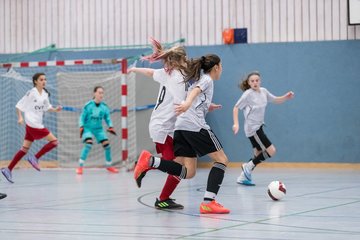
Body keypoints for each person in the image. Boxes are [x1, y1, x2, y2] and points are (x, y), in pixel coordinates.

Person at [134, 54, 230, 214]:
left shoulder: (197, 78)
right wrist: (187, 103)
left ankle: (150, 161)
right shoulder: (206, 79)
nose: (222, 69)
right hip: (194, 126)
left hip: (180, 126)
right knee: (222, 160)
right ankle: (208, 202)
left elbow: (196, 95)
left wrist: (206, 105)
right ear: (216, 67)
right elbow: (195, 93)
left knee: (188, 172)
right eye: (222, 66)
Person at [128, 37, 188, 209]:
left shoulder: (167, 72)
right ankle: (149, 163)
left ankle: (162, 196)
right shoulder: (177, 77)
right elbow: (180, 106)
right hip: (163, 127)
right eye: (185, 59)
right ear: (180, 60)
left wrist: (134, 69)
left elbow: (149, 73)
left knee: (179, 167)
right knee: (178, 169)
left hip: (162, 126)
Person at [232, 71, 294, 186]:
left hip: (258, 126)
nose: (255, 83)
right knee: (271, 151)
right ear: (249, 83)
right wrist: (236, 124)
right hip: (253, 129)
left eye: (257, 80)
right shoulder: (247, 94)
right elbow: (236, 108)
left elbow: (275, 99)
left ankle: (243, 177)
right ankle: (248, 166)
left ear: (260, 81)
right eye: (252, 81)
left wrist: (286, 97)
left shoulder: (264, 92)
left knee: (258, 154)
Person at [1, 72, 62, 183]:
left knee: (24, 149)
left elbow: (47, 107)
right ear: (35, 81)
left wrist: (55, 109)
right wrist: (20, 118)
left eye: (45, 79)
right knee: (54, 142)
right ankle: (35, 157)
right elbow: (18, 106)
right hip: (33, 124)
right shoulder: (31, 93)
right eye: (41, 79)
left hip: (35, 124)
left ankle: (8, 169)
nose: (44, 81)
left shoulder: (45, 94)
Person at [77, 86, 118, 175]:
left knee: (107, 145)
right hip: (88, 128)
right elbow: (81, 117)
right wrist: (81, 126)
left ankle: (109, 166)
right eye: (99, 92)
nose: (101, 94)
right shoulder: (88, 106)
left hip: (98, 129)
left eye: (102, 93)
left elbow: (107, 118)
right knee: (88, 144)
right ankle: (80, 166)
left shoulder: (104, 107)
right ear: (94, 93)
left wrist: (110, 126)